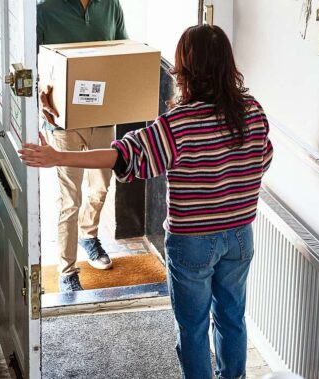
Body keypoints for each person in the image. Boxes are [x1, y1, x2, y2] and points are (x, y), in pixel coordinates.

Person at [21, 24, 273, 379]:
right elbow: (263, 159)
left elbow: (122, 155)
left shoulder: (179, 124)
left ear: (185, 69)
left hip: (193, 244)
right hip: (240, 236)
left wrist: (57, 157)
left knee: (194, 329)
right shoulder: (253, 111)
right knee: (232, 318)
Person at [37, 0, 128, 293]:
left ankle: (90, 236)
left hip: (103, 116)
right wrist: (40, 96)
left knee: (101, 187)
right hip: (63, 118)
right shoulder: (45, 9)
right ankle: (66, 267)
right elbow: (32, 63)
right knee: (69, 197)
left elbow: (122, 55)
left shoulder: (111, 5)